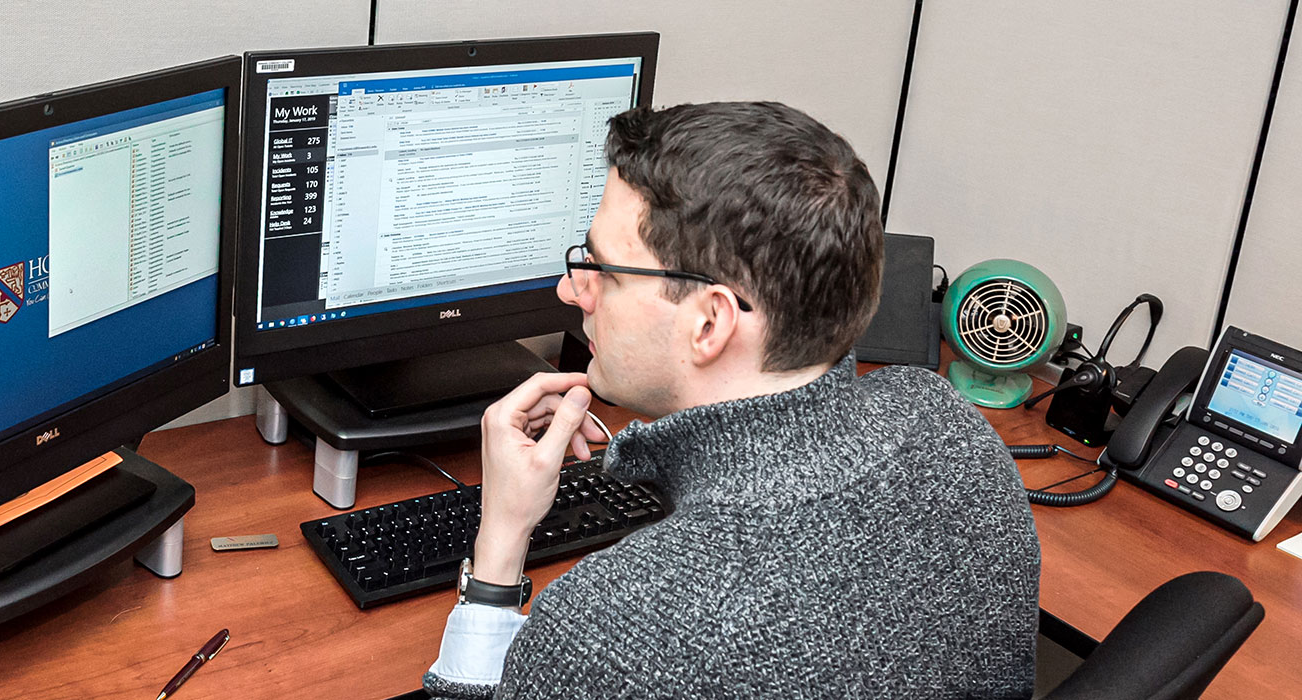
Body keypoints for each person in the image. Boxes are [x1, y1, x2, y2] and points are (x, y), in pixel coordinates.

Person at [422, 101, 1040, 699]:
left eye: (604, 271)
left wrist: (499, 545)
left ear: (710, 323)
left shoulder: (618, 632)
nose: (569, 289)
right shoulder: (947, 425)